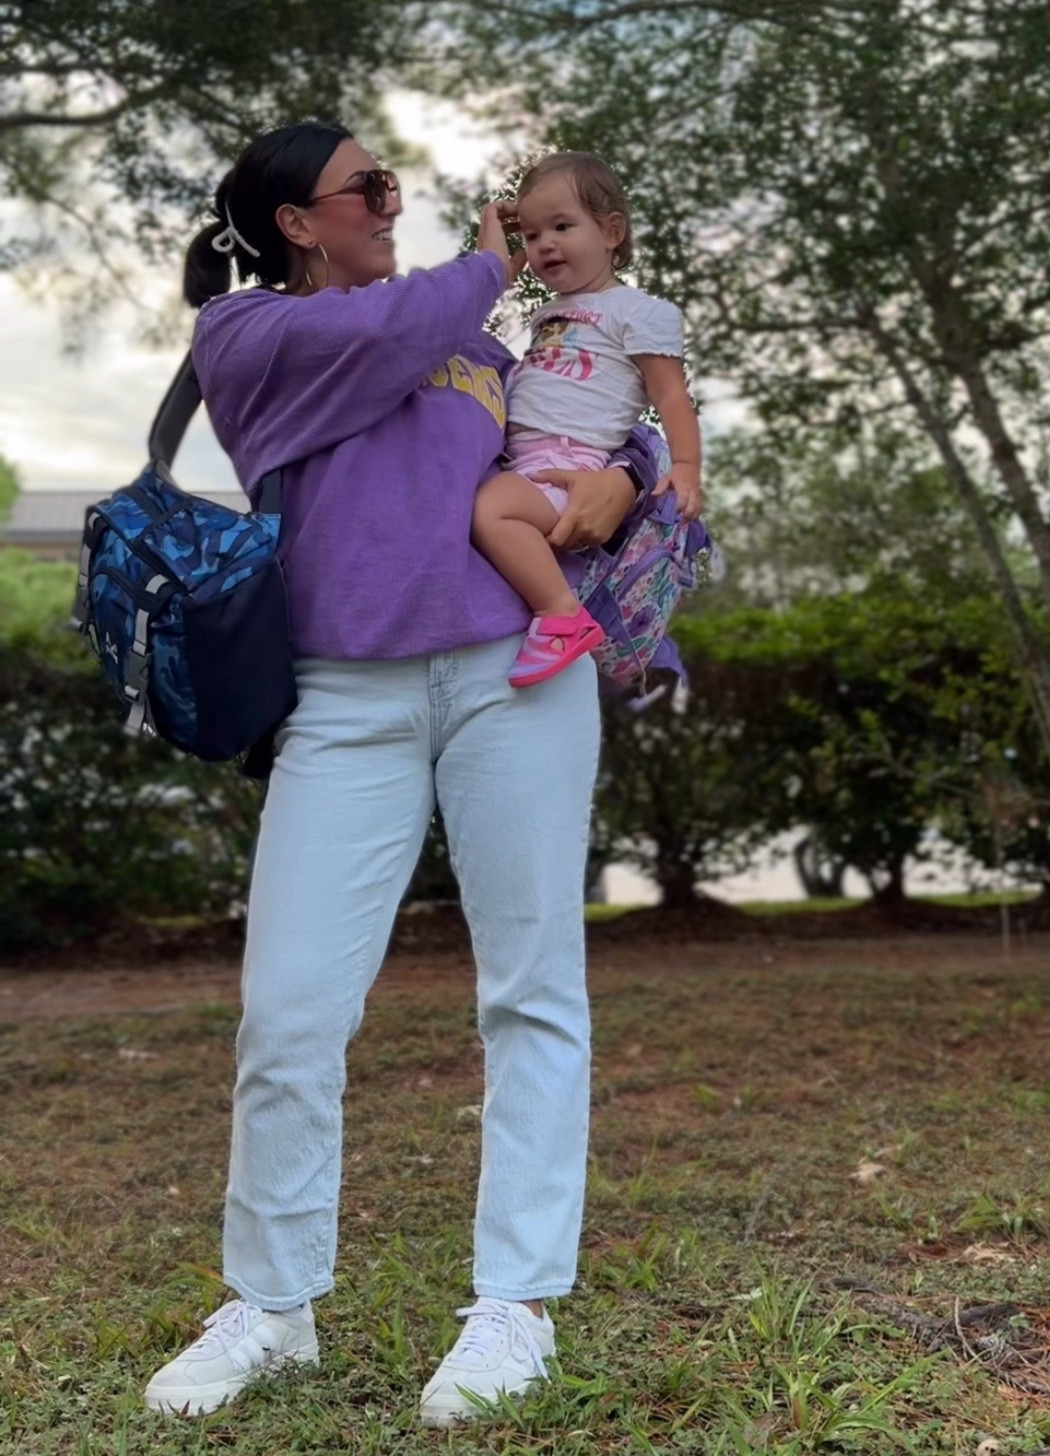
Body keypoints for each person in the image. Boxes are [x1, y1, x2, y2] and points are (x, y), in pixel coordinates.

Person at [141, 120, 658, 1427]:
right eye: (365, 188)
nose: (393, 200)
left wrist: (624, 473)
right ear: (297, 224)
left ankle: (516, 1307)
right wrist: (485, 266)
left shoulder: (469, 333)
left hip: (509, 676)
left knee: (531, 991)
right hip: (343, 699)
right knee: (290, 1014)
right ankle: (270, 1306)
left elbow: (575, 411)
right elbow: (379, 340)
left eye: (392, 182)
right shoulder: (249, 338)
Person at [471, 152, 703, 688]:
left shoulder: (638, 311)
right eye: (530, 234)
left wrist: (686, 467)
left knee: (492, 512)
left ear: (611, 231)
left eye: (561, 225)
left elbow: (671, 396)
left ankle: (561, 616)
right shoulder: (549, 313)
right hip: (526, 459)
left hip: (567, 461)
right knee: (490, 506)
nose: (544, 243)